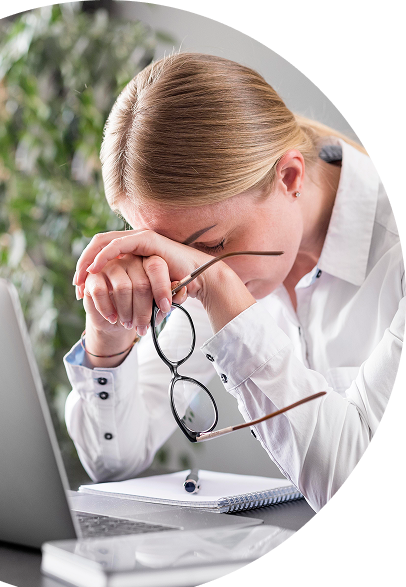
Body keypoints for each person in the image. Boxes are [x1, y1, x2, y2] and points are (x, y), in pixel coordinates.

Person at [63, 52, 403, 512]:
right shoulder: (207, 266)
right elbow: (114, 460)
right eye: (162, 249)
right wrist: (108, 339)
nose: (186, 274)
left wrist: (222, 289)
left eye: (210, 245)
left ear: (289, 177)